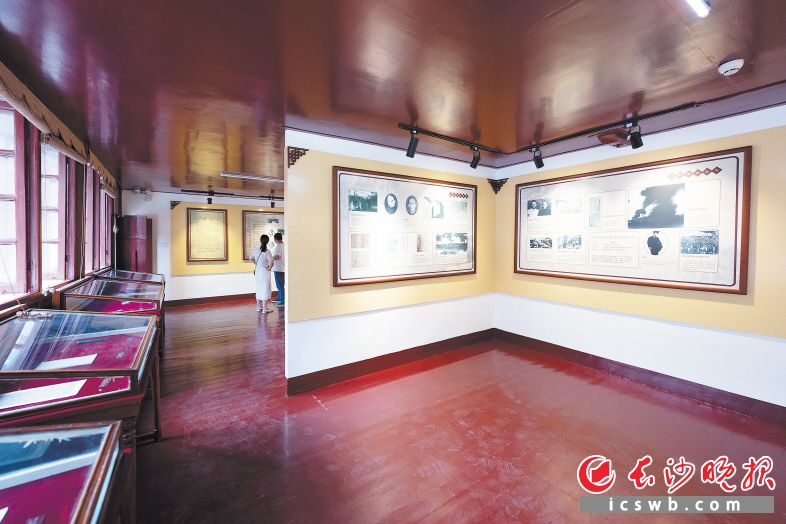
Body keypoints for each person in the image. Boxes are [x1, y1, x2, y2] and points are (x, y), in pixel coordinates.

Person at [250, 234, 274, 313]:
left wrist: (257, 264)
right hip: (264, 272)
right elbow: (271, 261)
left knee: (258, 288)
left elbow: (251, 258)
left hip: (258, 272)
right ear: (267, 241)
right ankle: (264, 308)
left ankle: (258, 307)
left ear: (260, 241)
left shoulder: (256, 250)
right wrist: (269, 268)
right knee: (265, 288)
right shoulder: (267, 251)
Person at [272, 232, 286, 306]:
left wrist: (271, 258)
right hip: (283, 267)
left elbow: (277, 256)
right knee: (281, 284)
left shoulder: (278, 246)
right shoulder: (284, 245)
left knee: (280, 285)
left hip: (278, 268)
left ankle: (282, 299)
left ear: (275, 239)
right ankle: (280, 297)